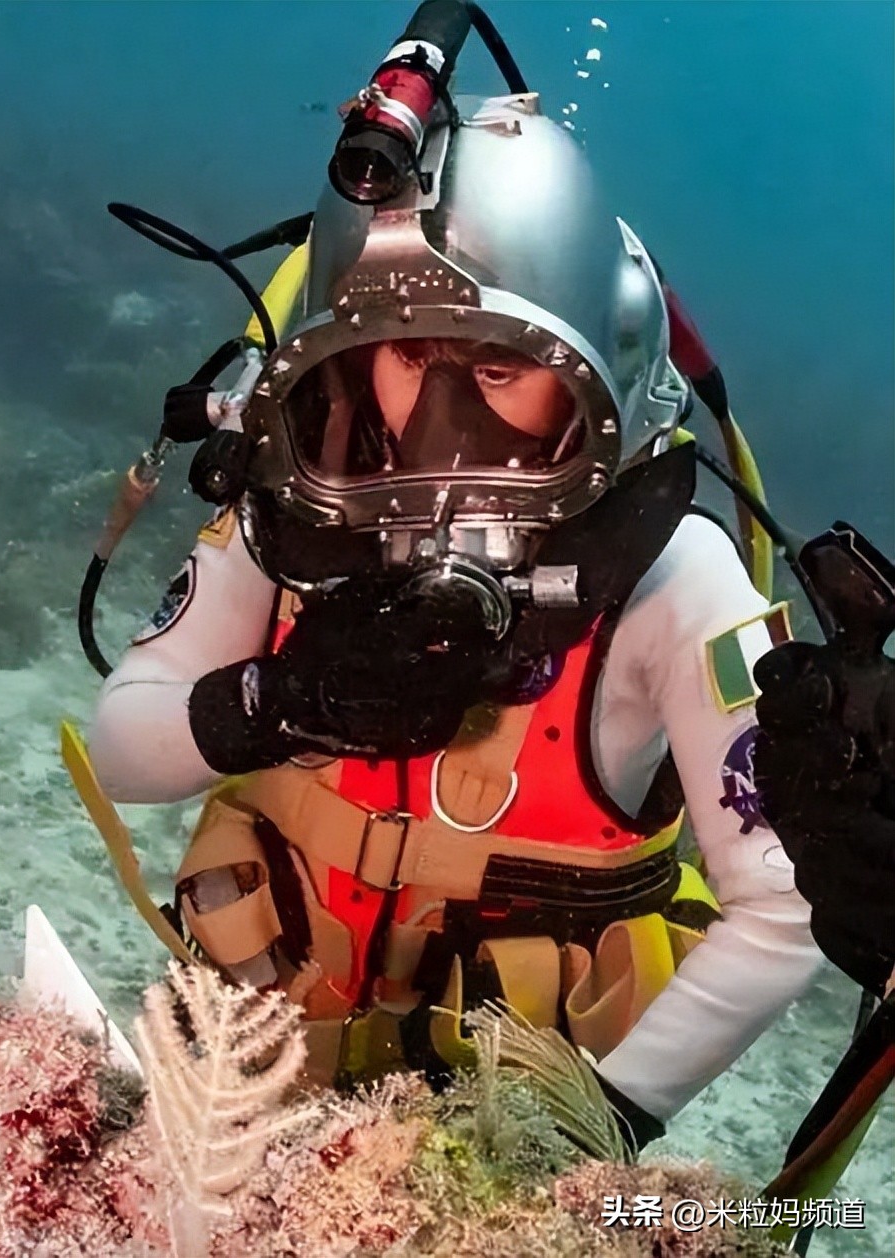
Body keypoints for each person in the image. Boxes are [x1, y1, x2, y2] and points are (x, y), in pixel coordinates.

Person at [86, 40, 827, 1151]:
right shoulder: (297, 506)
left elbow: (784, 905)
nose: (440, 428)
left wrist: (594, 1133)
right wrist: (276, 702)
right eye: (400, 358)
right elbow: (124, 747)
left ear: (591, 363)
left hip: (492, 1149)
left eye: (495, 369)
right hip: (237, 1088)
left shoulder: (674, 576)